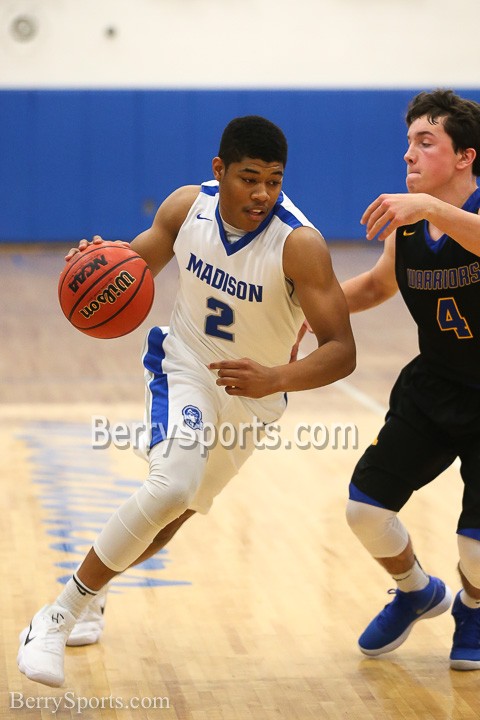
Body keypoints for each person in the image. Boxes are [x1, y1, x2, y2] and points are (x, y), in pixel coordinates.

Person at [18, 115, 356, 687]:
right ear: (219, 170)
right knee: (171, 484)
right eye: (249, 178)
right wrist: (93, 264)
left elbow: (342, 350)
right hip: (187, 367)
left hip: (254, 398)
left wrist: (274, 377)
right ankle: (55, 615)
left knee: (170, 518)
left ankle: (92, 593)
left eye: (274, 180)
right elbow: (131, 266)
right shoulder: (185, 209)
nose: (262, 194)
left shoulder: (300, 245)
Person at [341, 89, 480, 670]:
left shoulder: (439, 211)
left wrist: (430, 211)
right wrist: (302, 314)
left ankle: (472, 606)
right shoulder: (409, 224)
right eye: (407, 144)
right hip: (433, 387)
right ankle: (417, 590)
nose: (409, 156)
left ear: (465, 156)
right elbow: (376, 287)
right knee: (364, 510)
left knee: (476, 549)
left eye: (426, 143)